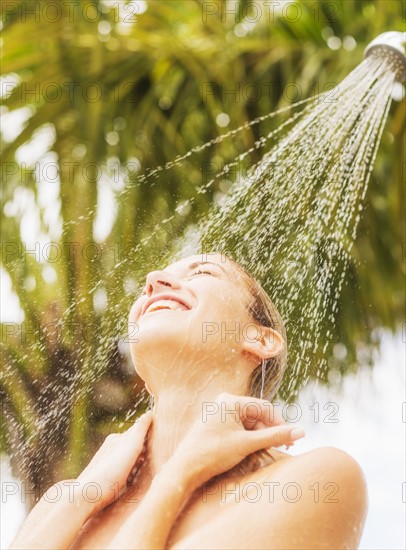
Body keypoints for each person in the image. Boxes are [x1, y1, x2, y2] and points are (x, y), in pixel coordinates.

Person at [10, 252, 368, 550]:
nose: (154, 280)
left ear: (261, 340)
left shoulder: (314, 483)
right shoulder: (65, 501)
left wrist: (180, 472)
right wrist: (82, 495)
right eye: (151, 282)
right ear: (145, 382)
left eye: (204, 271)